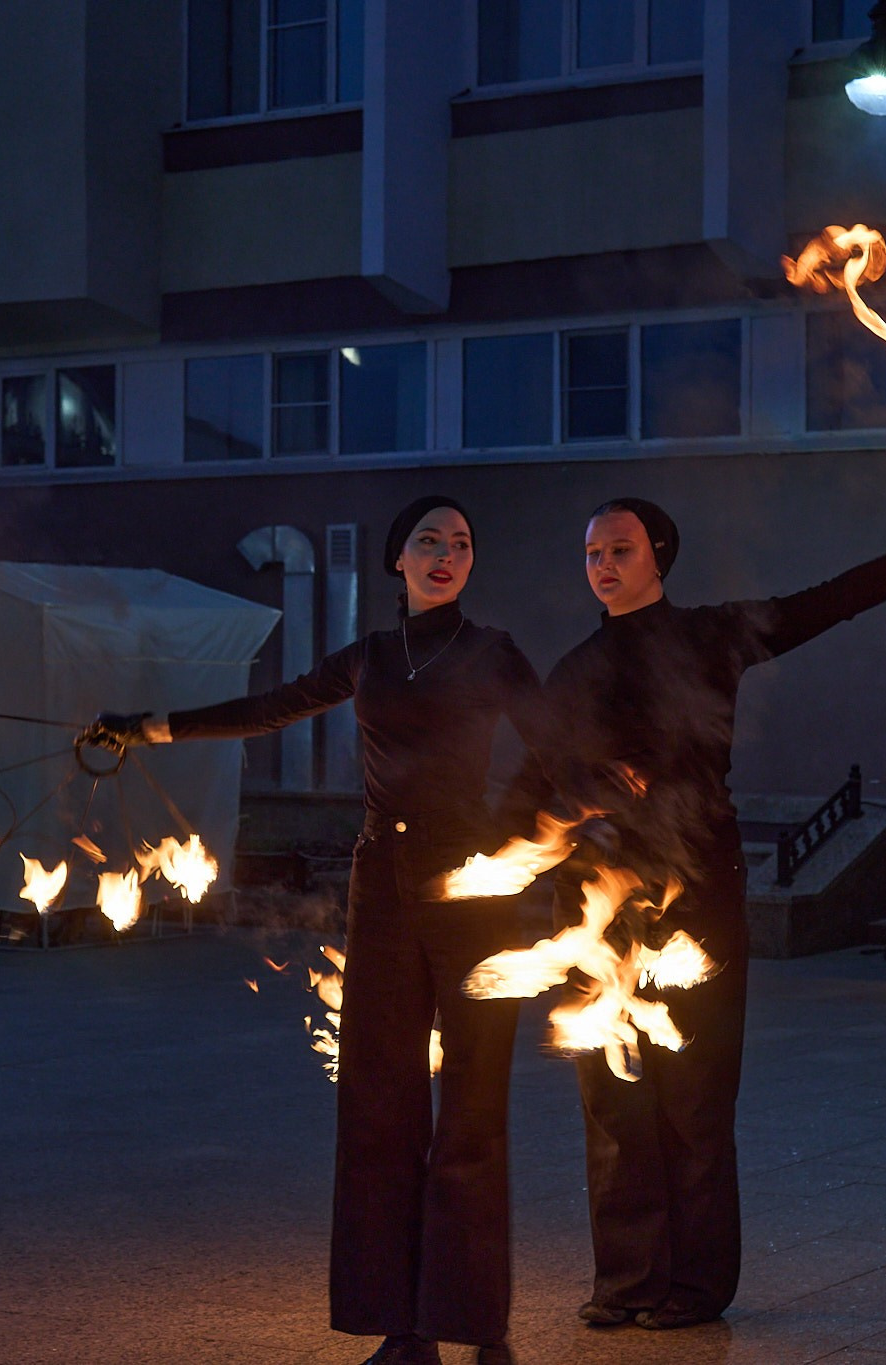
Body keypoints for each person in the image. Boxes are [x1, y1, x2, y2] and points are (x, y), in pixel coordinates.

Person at [86, 496, 553, 1365]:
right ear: (397, 561)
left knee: (473, 1110)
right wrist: (149, 727)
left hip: (474, 890)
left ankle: (482, 1323)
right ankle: (403, 1329)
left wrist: (515, 833)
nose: (445, 553)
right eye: (428, 540)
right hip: (381, 887)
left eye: (460, 543)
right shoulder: (370, 656)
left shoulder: (494, 653)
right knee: (380, 1107)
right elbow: (271, 707)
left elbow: (556, 746)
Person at [514, 490, 886, 1332]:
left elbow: (826, 602)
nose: (603, 566)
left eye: (620, 549)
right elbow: (530, 788)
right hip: (594, 896)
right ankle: (626, 1280)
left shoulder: (709, 635)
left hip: (696, 882)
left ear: (659, 553)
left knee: (695, 1087)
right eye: (592, 554)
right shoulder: (575, 670)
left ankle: (694, 1287)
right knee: (610, 1090)